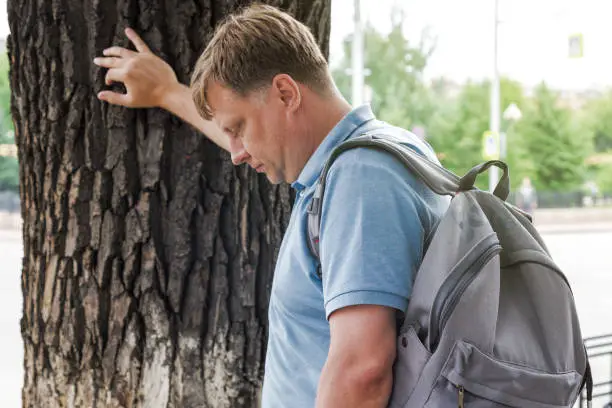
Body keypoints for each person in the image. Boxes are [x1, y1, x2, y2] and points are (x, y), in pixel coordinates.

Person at [94, 5, 448, 407]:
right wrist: (167, 92)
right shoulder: (368, 158)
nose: (236, 154)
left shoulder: (361, 179)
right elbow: (249, 126)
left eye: (238, 128)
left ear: (286, 93)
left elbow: (362, 369)